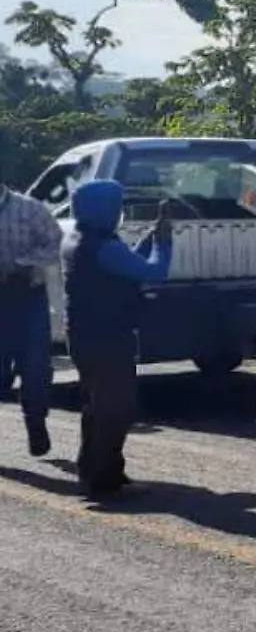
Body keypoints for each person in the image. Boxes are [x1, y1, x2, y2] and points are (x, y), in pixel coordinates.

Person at [61, 179, 172, 498]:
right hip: (108, 338)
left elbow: (128, 264)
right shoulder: (104, 246)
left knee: (97, 406)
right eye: (116, 206)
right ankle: (104, 480)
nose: (119, 212)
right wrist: (164, 242)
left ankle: (92, 468)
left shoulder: (82, 239)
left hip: (84, 336)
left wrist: (150, 237)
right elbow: (154, 272)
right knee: (116, 409)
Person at [0, 179, 62, 457]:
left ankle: (36, 424)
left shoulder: (29, 209)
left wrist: (22, 265)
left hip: (27, 297)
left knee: (35, 368)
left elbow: (55, 242)